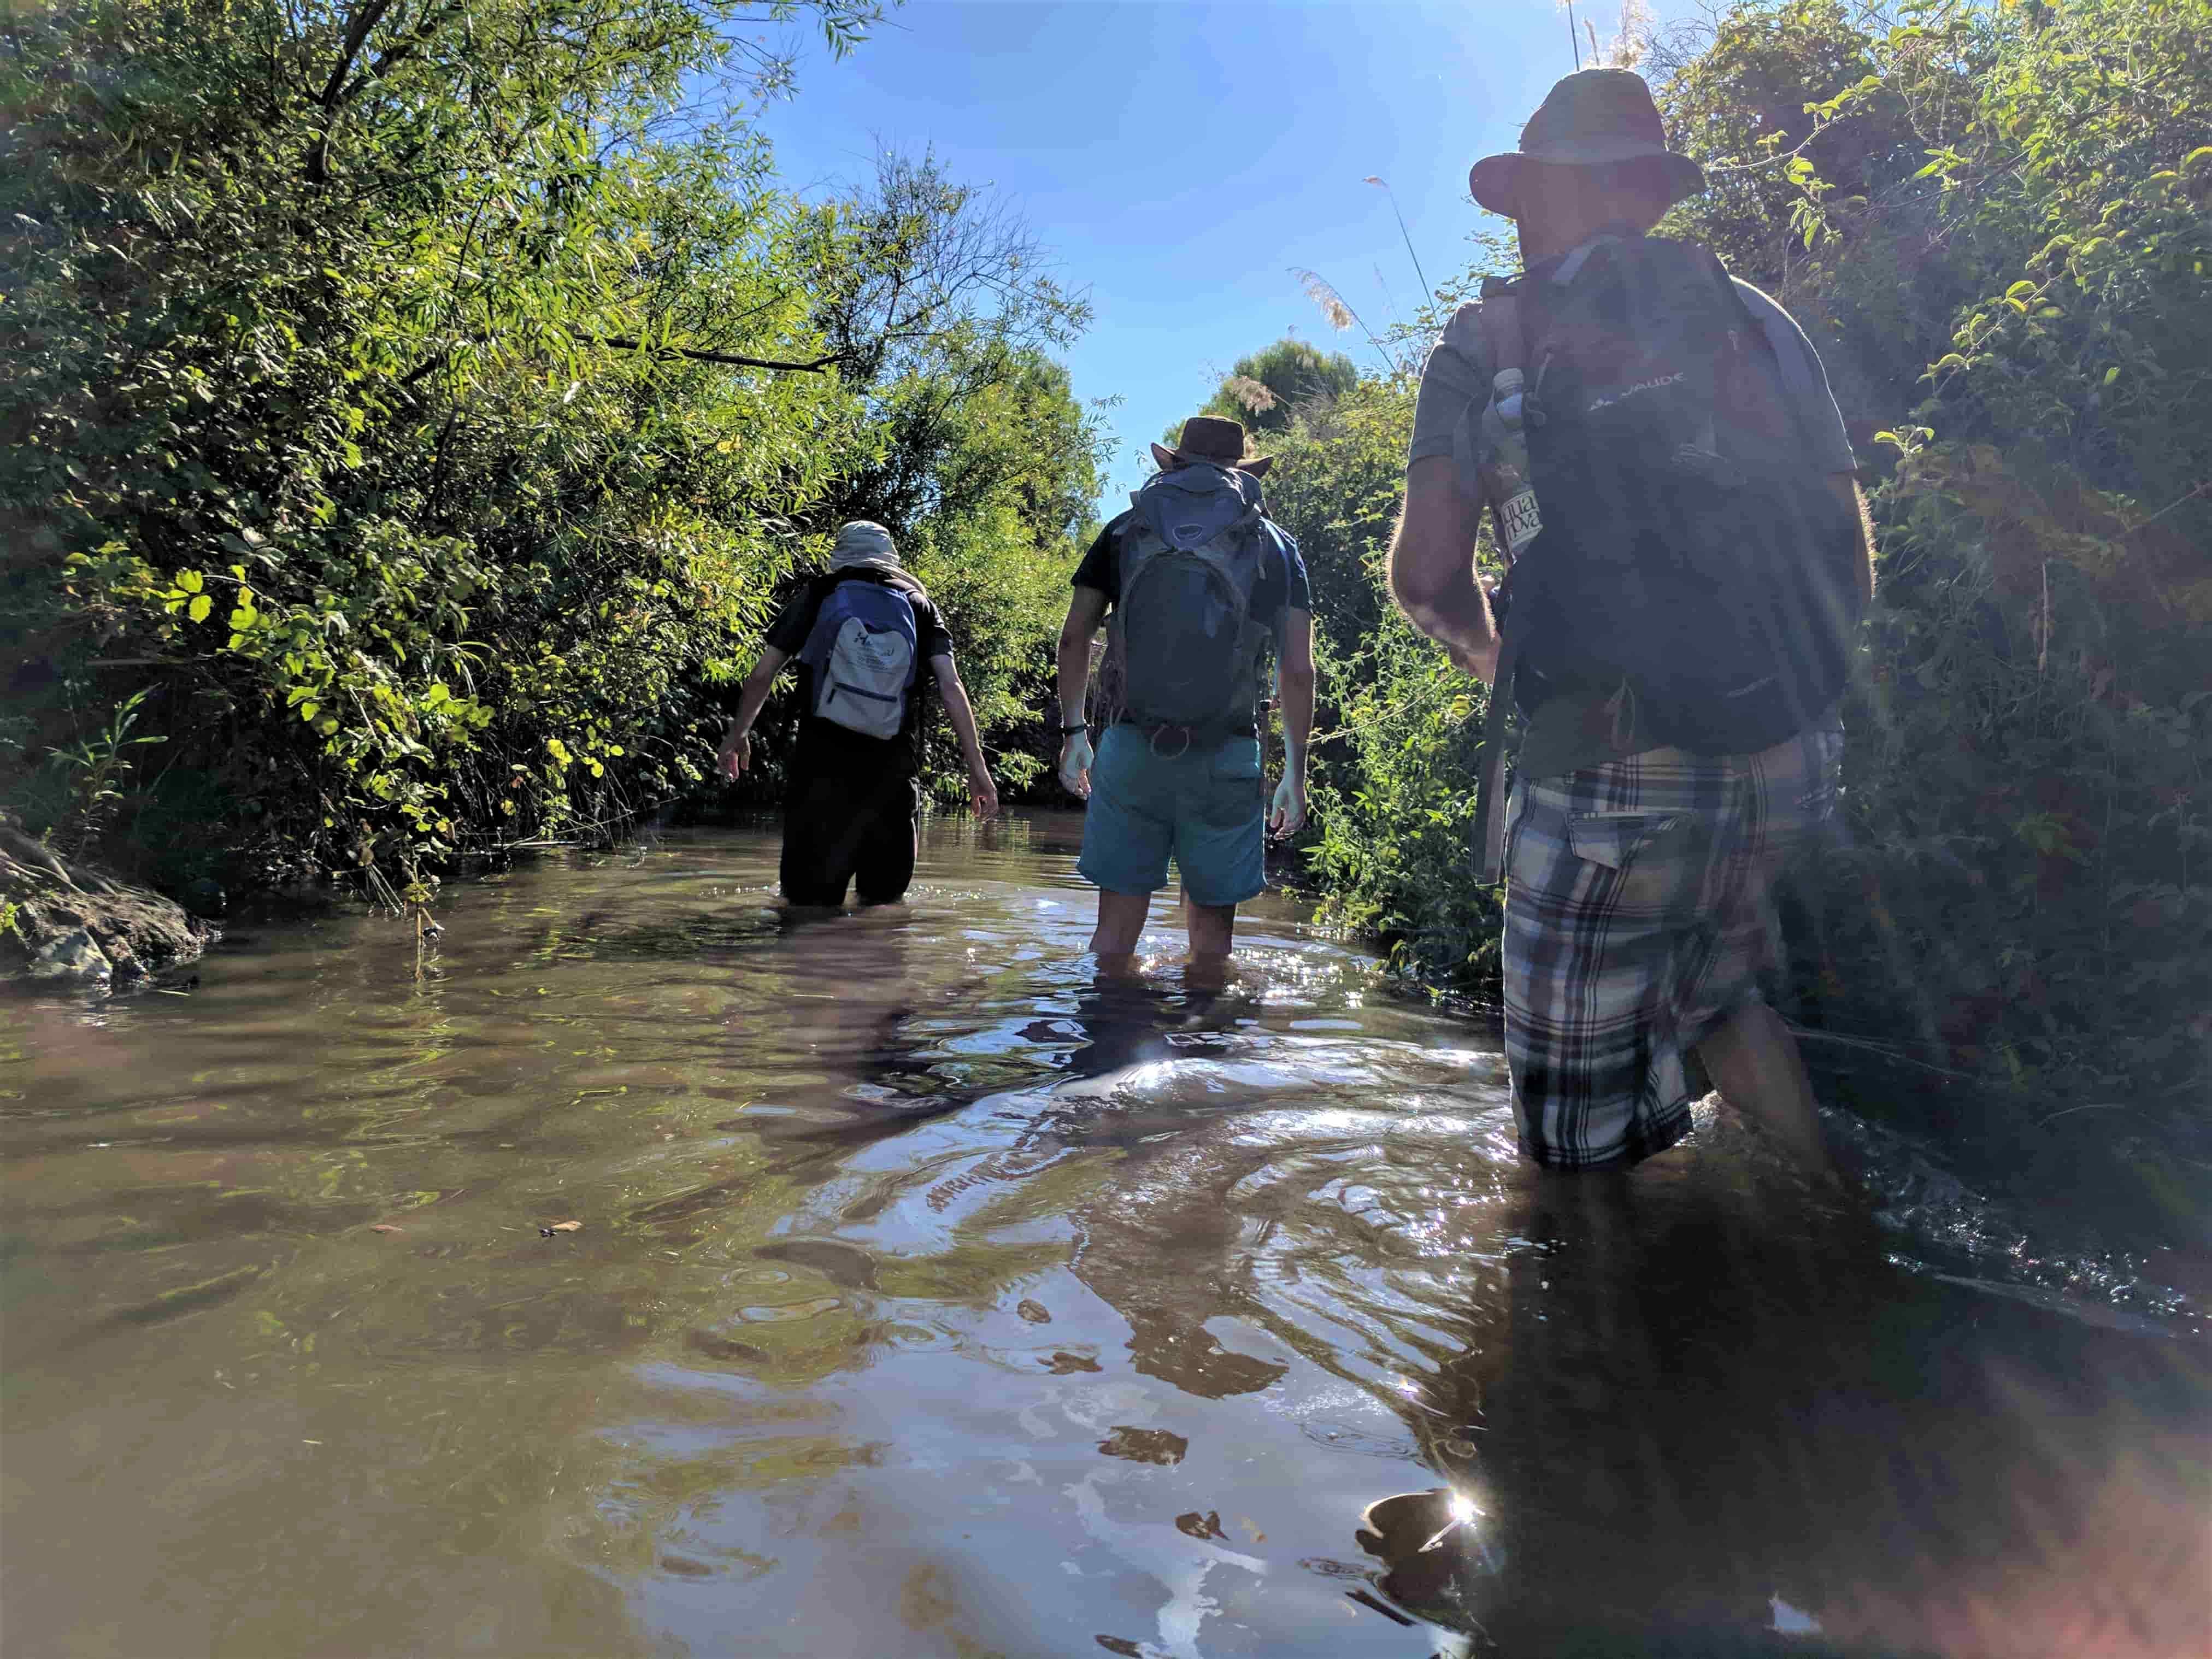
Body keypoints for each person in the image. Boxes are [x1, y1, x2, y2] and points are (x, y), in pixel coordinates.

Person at [1389, 69, 1877, 1174]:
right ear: (1649, 195)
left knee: (1566, 1157)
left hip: (1605, 773)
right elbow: (1846, 544)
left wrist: (1491, 657)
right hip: (1787, 757)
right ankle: (1831, 1250)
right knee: (1720, 989)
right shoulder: (1759, 322)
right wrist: (1788, 704)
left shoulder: (1484, 340)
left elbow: (1424, 577)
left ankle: (1592, 1329)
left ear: (1534, 199)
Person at [1055, 416, 1314, 970]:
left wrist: (1075, 734)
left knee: (1113, 940)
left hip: (1130, 746)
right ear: (1240, 469)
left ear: (1175, 463)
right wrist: (1295, 771)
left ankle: (1105, 1043)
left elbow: (1075, 636)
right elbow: (1297, 670)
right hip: (1225, 753)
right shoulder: (1272, 543)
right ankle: (1204, 1053)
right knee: (1211, 951)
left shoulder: (1128, 529)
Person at [717, 520, 998, 907]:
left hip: (823, 772)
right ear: (891, 559)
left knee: (806, 912)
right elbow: (951, 687)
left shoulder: (820, 595)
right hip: (893, 775)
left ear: (841, 557)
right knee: (883, 912)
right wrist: (977, 769)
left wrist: (738, 735)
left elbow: (764, 672)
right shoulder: (919, 606)